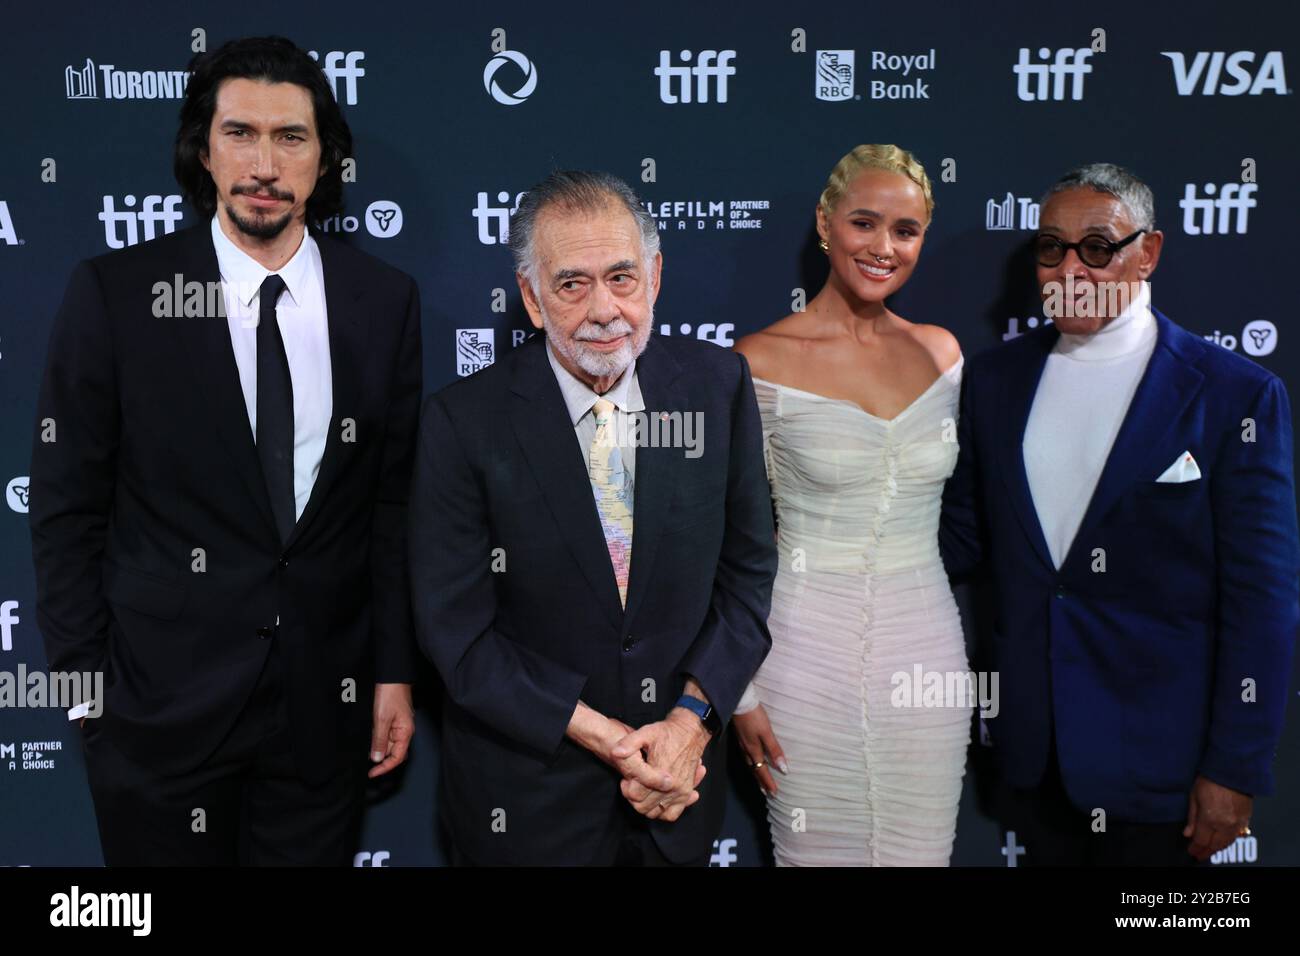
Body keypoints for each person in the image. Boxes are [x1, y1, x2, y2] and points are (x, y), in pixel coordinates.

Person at [29, 36, 422, 865]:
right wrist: (84, 695)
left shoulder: (382, 302)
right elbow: (66, 506)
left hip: (323, 712)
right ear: (203, 150)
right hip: (153, 717)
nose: (264, 164)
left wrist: (391, 671)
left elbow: (387, 508)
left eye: (292, 137)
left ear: (325, 159)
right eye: (240, 133)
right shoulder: (118, 294)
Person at [409, 170, 777, 866]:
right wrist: (611, 740)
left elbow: (748, 573)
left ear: (656, 276)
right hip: (526, 806)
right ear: (531, 296)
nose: (605, 309)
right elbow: (457, 635)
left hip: (680, 791)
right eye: (573, 284)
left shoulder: (718, 387)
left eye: (622, 277)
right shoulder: (463, 422)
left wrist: (689, 722)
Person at [940, 162, 1299, 865]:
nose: (1071, 267)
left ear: (1150, 252)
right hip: (1033, 755)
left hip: (1167, 767)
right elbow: (962, 538)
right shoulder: (994, 379)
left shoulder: (1234, 396)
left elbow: (1264, 599)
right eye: (1051, 247)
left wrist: (1235, 767)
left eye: (1098, 247)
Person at [733, 144, 969, 866]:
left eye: (906, 231)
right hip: (801, 659)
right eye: (865, 223)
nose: (884, 247)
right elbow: (719, 540)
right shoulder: (756, 362)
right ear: (825, 225)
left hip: (926, 653)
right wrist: (738, 694)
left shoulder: (943, 356)